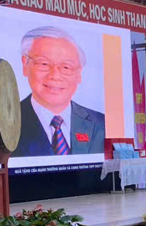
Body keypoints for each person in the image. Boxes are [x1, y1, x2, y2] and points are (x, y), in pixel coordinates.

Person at [13, 26, 105, 157]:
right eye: (44, 64)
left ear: (79, 74)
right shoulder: (7, 123)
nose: (55, 75)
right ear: (25, 65)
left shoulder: (101, 124)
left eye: (66, 67)